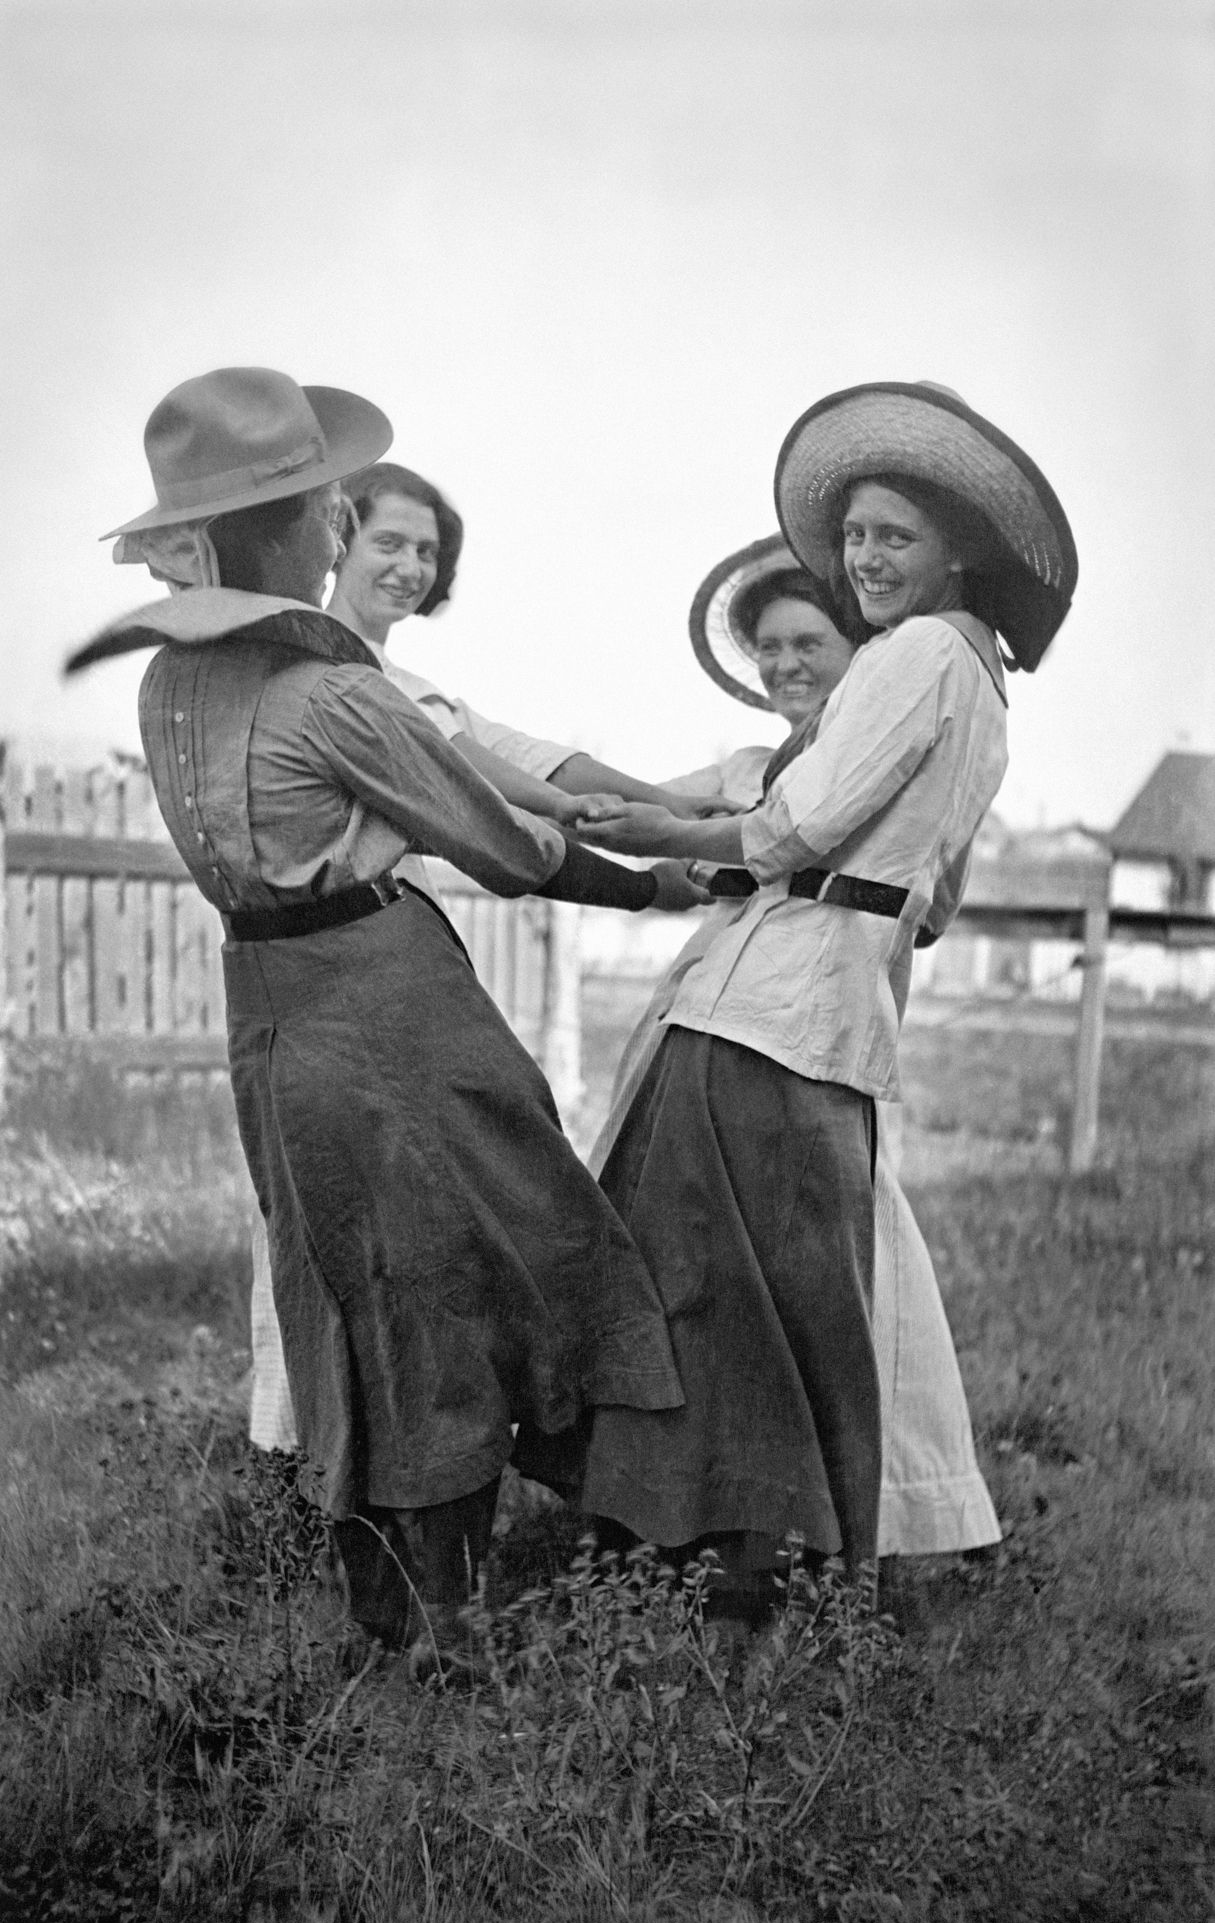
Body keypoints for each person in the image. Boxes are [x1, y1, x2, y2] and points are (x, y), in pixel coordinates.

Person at [67, 366, 687, 1665]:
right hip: (387, 1000)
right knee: (465, 1274)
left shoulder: (167, 689)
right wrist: (651, 886)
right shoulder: (335, 695)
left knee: (334, 1289)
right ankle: (462, 1622)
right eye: (326, 513)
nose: (342, 531)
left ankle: (379, 1610)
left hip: (269, 1015)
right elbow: (509, 848)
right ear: (280, 533)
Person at [575, 381, 1077, 1601]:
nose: (867, 558)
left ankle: (740, 1554)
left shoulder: (918, 655)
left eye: (894, 536)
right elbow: (927, 887)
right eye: (854, 536)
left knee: (724, 1285)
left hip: (775, 1008)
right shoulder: (980, 683)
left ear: (957, 548)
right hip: (821, 1004)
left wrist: (654, 829)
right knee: (786, 1286)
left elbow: (800, 817)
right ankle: (737, 1542)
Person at [241, 457, 717, 1453]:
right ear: (333, 541)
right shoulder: (307, 676)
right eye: (389, 542)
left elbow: (532, 763)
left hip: (390, 968)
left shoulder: (414, 687)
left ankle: (421, 1447)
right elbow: (489, 801)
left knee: (417, 1213)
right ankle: (306, 1457)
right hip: (315, 971)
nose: (411, 566)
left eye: (428, 550)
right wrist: (631, 867)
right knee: (323, 1216)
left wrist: (676, 814)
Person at [589, 533, 1001, 1558]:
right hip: (756, 1004)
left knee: (799, 1290)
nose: (785, 666)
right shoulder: (767, 761)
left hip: (798, 1015)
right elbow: (638, 804)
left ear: (858, 645)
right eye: (768, 650)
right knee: (732, 1273)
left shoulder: (905, 705)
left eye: (807, 640)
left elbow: (879, 872)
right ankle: (707, 1528)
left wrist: (725, 847)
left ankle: (790, 1540)